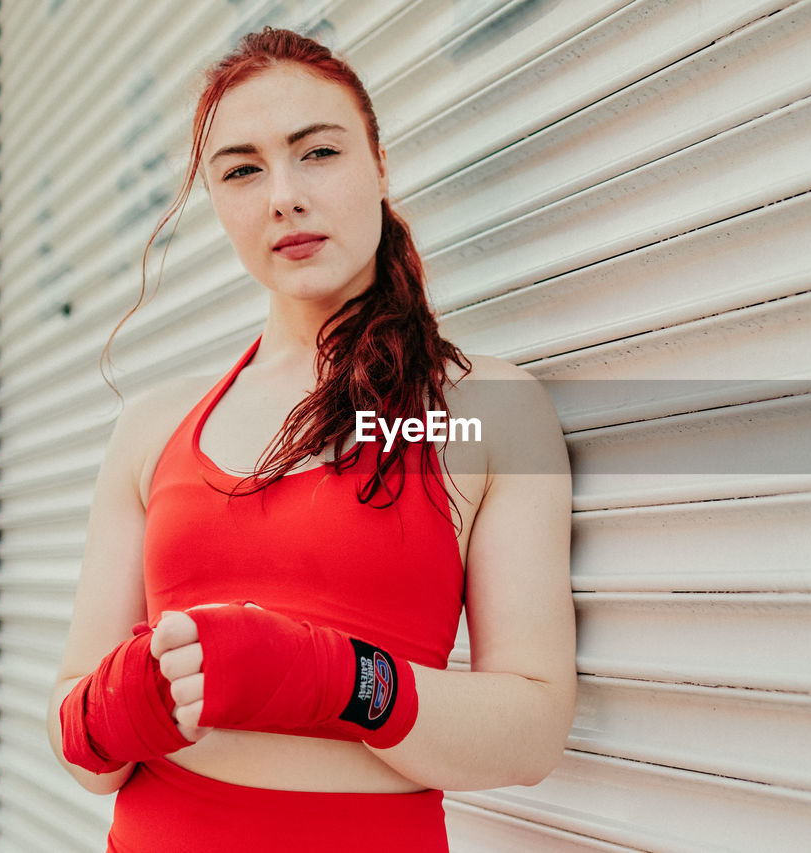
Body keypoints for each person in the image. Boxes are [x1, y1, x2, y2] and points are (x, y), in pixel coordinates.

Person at [45, 27, 576, 852]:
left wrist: (331, 679)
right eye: (242, 170)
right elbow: (83, 751)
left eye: (317, 153)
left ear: (378, 164)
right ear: (217, 203)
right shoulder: (153, 427)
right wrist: (133, 694)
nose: (283, 195)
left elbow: (534, 729)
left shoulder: (484, 410)